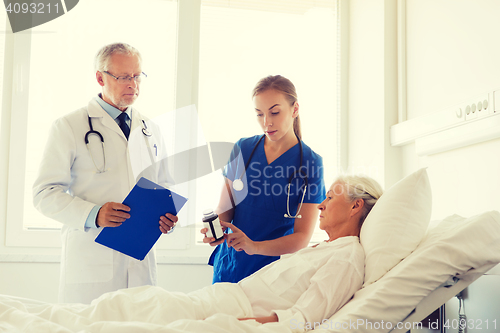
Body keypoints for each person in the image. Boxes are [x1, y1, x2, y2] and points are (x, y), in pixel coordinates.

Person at [2, 175, 383, 331]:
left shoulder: (347, 257)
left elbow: (304, 317)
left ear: (355, 208)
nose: (319, 205)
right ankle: (15, 314)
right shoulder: (326, 248)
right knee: (120, 306)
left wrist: (245, 323)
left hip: (226, 311)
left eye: (330, 198)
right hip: (216, 299)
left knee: (120, 315)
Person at [32, 43, 178, 304]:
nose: (132, 84)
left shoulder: (150, 129)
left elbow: (165, 186)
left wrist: (167, 218)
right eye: (123, 77)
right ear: (100, 77)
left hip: (139, 262)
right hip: (92, 259)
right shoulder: (69, 126)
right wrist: (94, 214)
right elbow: (44, 193)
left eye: (137, 76)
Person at [203, 75, 326, 283]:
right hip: (231, 265)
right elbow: (225, 207)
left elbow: (302, 237)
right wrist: (216, 228)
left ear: (295, 109)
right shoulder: (243, 149)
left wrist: (254, 247)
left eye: (275, 112)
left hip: (273, 274)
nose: (266, 123)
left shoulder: (311, 163)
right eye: (259, 114)